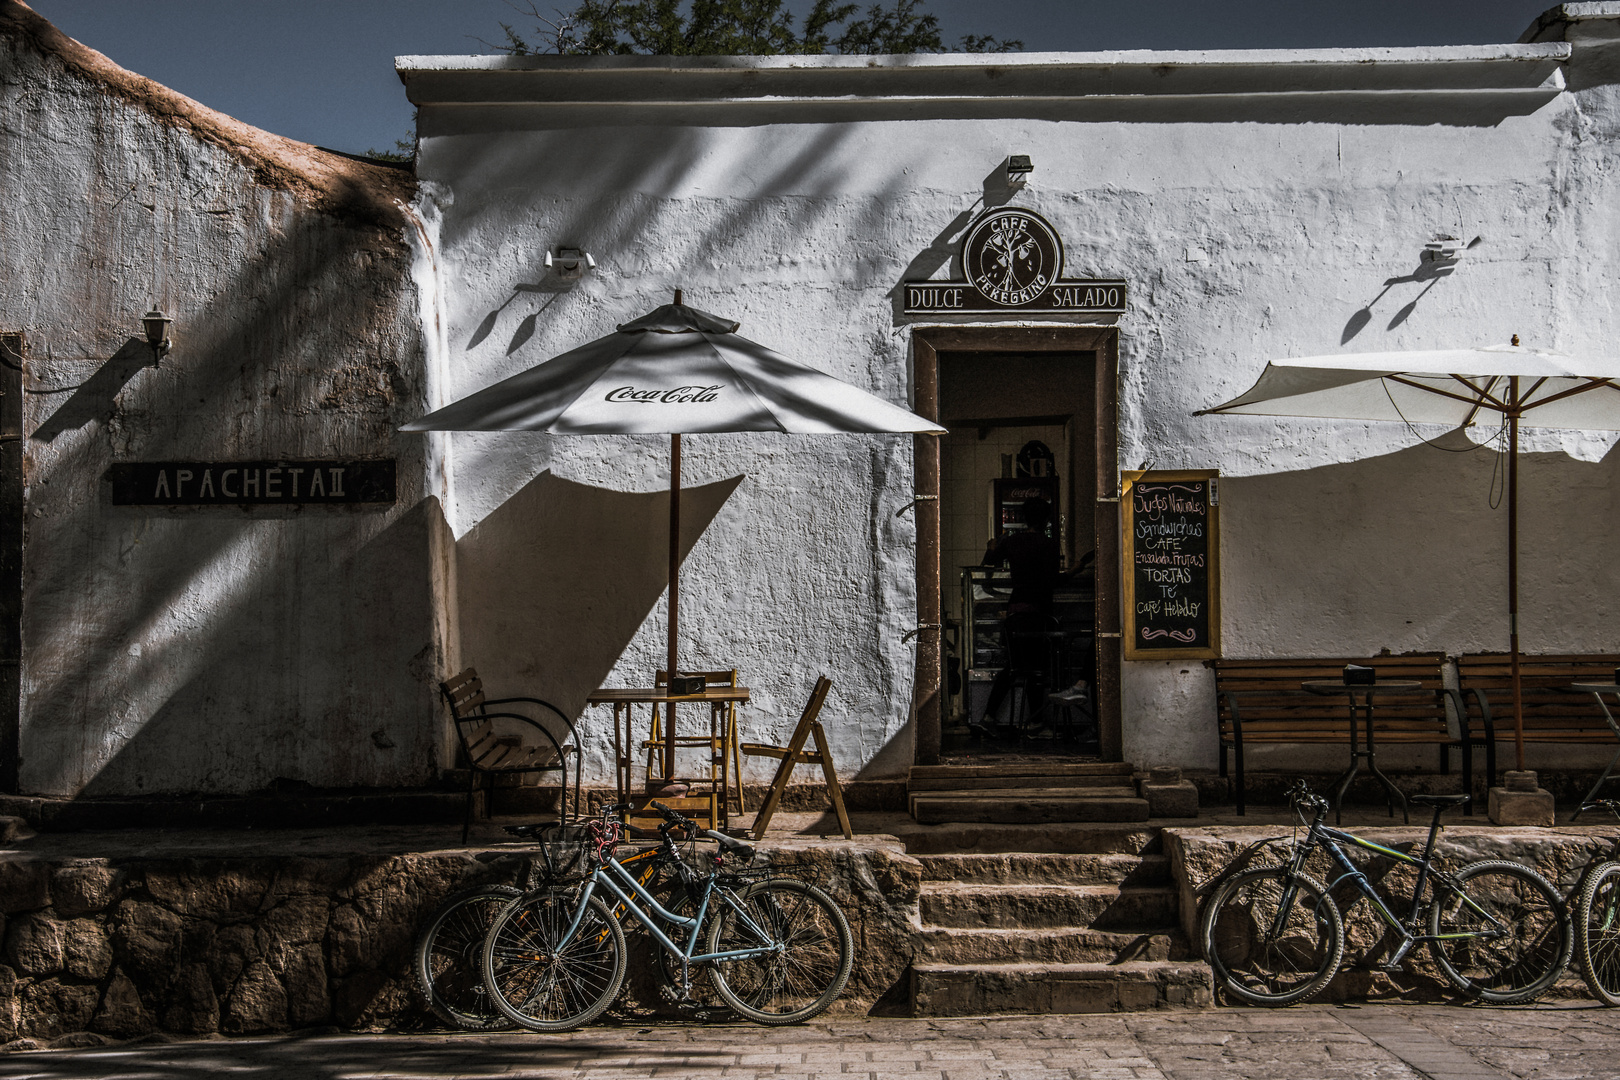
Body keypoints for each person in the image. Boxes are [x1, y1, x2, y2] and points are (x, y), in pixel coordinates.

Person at [975, 497, 1061, 734]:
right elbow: (1053, 580)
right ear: (1046, 519)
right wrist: (1073, 571)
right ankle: (1035, 723)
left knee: (1013, 666)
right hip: (1040, 613)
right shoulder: (1049, 544)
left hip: (1015, 612)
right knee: (1036, 668)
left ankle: (989, 717)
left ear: (1023, 518)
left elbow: (988, 563)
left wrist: (992, 547)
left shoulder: (1012, 541)